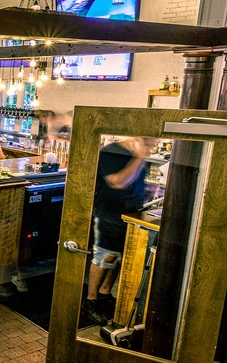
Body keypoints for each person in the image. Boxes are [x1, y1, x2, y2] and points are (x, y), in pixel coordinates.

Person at [81, 137, 153, 325]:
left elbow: (134, 183)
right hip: (108, 214)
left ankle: (105, 294)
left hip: (130, 213)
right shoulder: (111, 151)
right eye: (152, 141)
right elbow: (118, 182)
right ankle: (90, 300)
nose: (154, 145)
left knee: (119, 257)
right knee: (104, 257)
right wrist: (138, 158)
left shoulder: (136, 154)